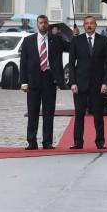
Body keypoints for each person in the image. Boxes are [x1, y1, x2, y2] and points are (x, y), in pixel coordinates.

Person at [19, 15, 66, 150]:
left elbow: (69, 47)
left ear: (48, 24)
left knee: (48, 112)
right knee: (32, 111)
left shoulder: (55, 39)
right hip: (33, 80)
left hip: (49, 79)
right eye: (41, 23)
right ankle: (31, 141)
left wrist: (75, 35)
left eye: (45, 23)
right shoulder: (29, 40)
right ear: (37, 24)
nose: (43, 25)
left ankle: (47, 142)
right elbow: (23, 62)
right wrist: (23, 82)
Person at [67, 15, 107, 150]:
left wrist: (106, 83)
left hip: (98, 84)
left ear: (96, 25)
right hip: (80, 84)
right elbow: (71, 63)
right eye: (86, 23)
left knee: (98, 115)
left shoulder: (104, 41)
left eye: (92, 23)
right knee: (79, 114)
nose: (89, 26)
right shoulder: (76, 41)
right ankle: (78, 142)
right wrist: (72, 82)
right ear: (84, 26)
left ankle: (100, 142)